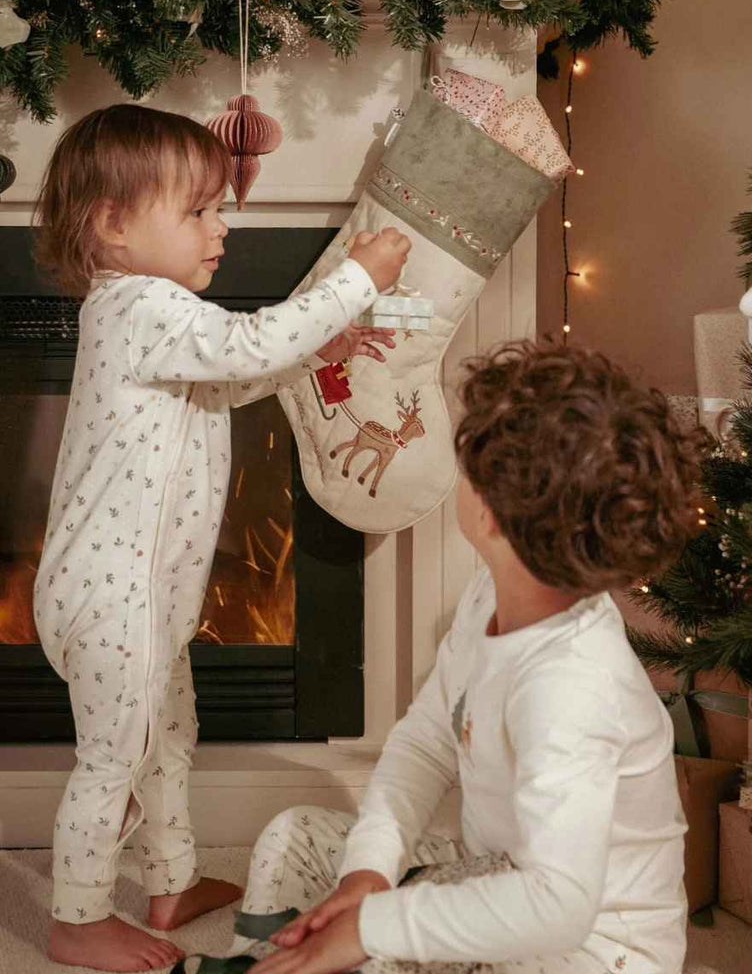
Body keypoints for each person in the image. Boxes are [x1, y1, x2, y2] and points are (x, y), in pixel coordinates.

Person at [31, 103, 411, 972]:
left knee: (169, 737)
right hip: (107, 595)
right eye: (198, 211)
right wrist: (354, 283)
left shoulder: (144, 318)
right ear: (114, 225)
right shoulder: (141, 307)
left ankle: (171, 878)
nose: (223, 227)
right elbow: (246, 345)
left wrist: (322, 346)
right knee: (115, 757)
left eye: (219, 207)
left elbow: (232, 380)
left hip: (141, 595)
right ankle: (78, 914)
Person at [237, 340, 702, 974]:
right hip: (501, 879)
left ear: (489, 513)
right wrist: (370, 870)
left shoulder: (571, 686)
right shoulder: (494, 590)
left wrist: (373, 929)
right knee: (291, 841)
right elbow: (428, 740)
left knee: (382, 954)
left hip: (590, 951)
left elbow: (560, 904)